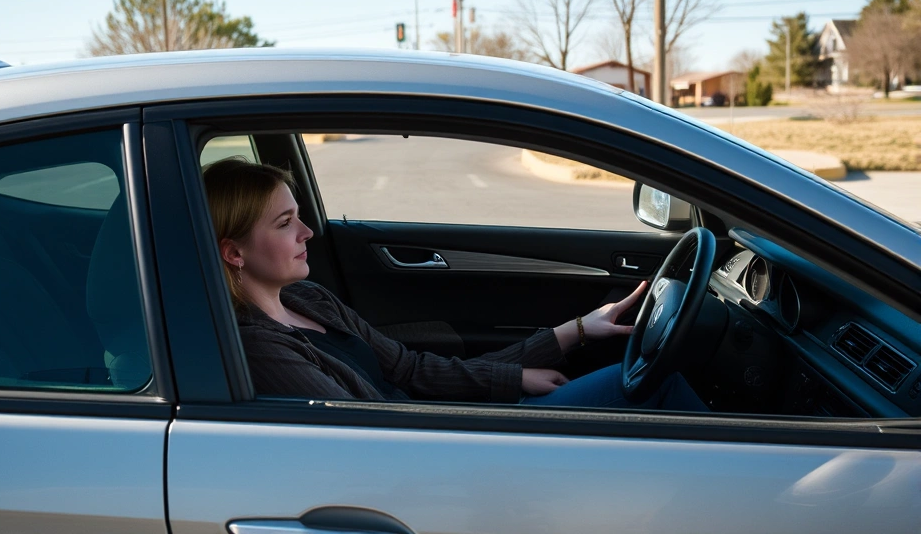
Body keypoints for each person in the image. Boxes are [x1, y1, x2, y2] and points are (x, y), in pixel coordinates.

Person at [203, 159, 707, 411]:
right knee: (657, 388)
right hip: (447, 454)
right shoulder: (258, 346)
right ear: (233, 252)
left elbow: (411, 369)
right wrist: (495, 407)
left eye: (299, 216)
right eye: (285, 223)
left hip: (449, 430)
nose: (307, 232)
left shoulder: (309, 300)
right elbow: (367, 435)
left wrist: (571, 333)